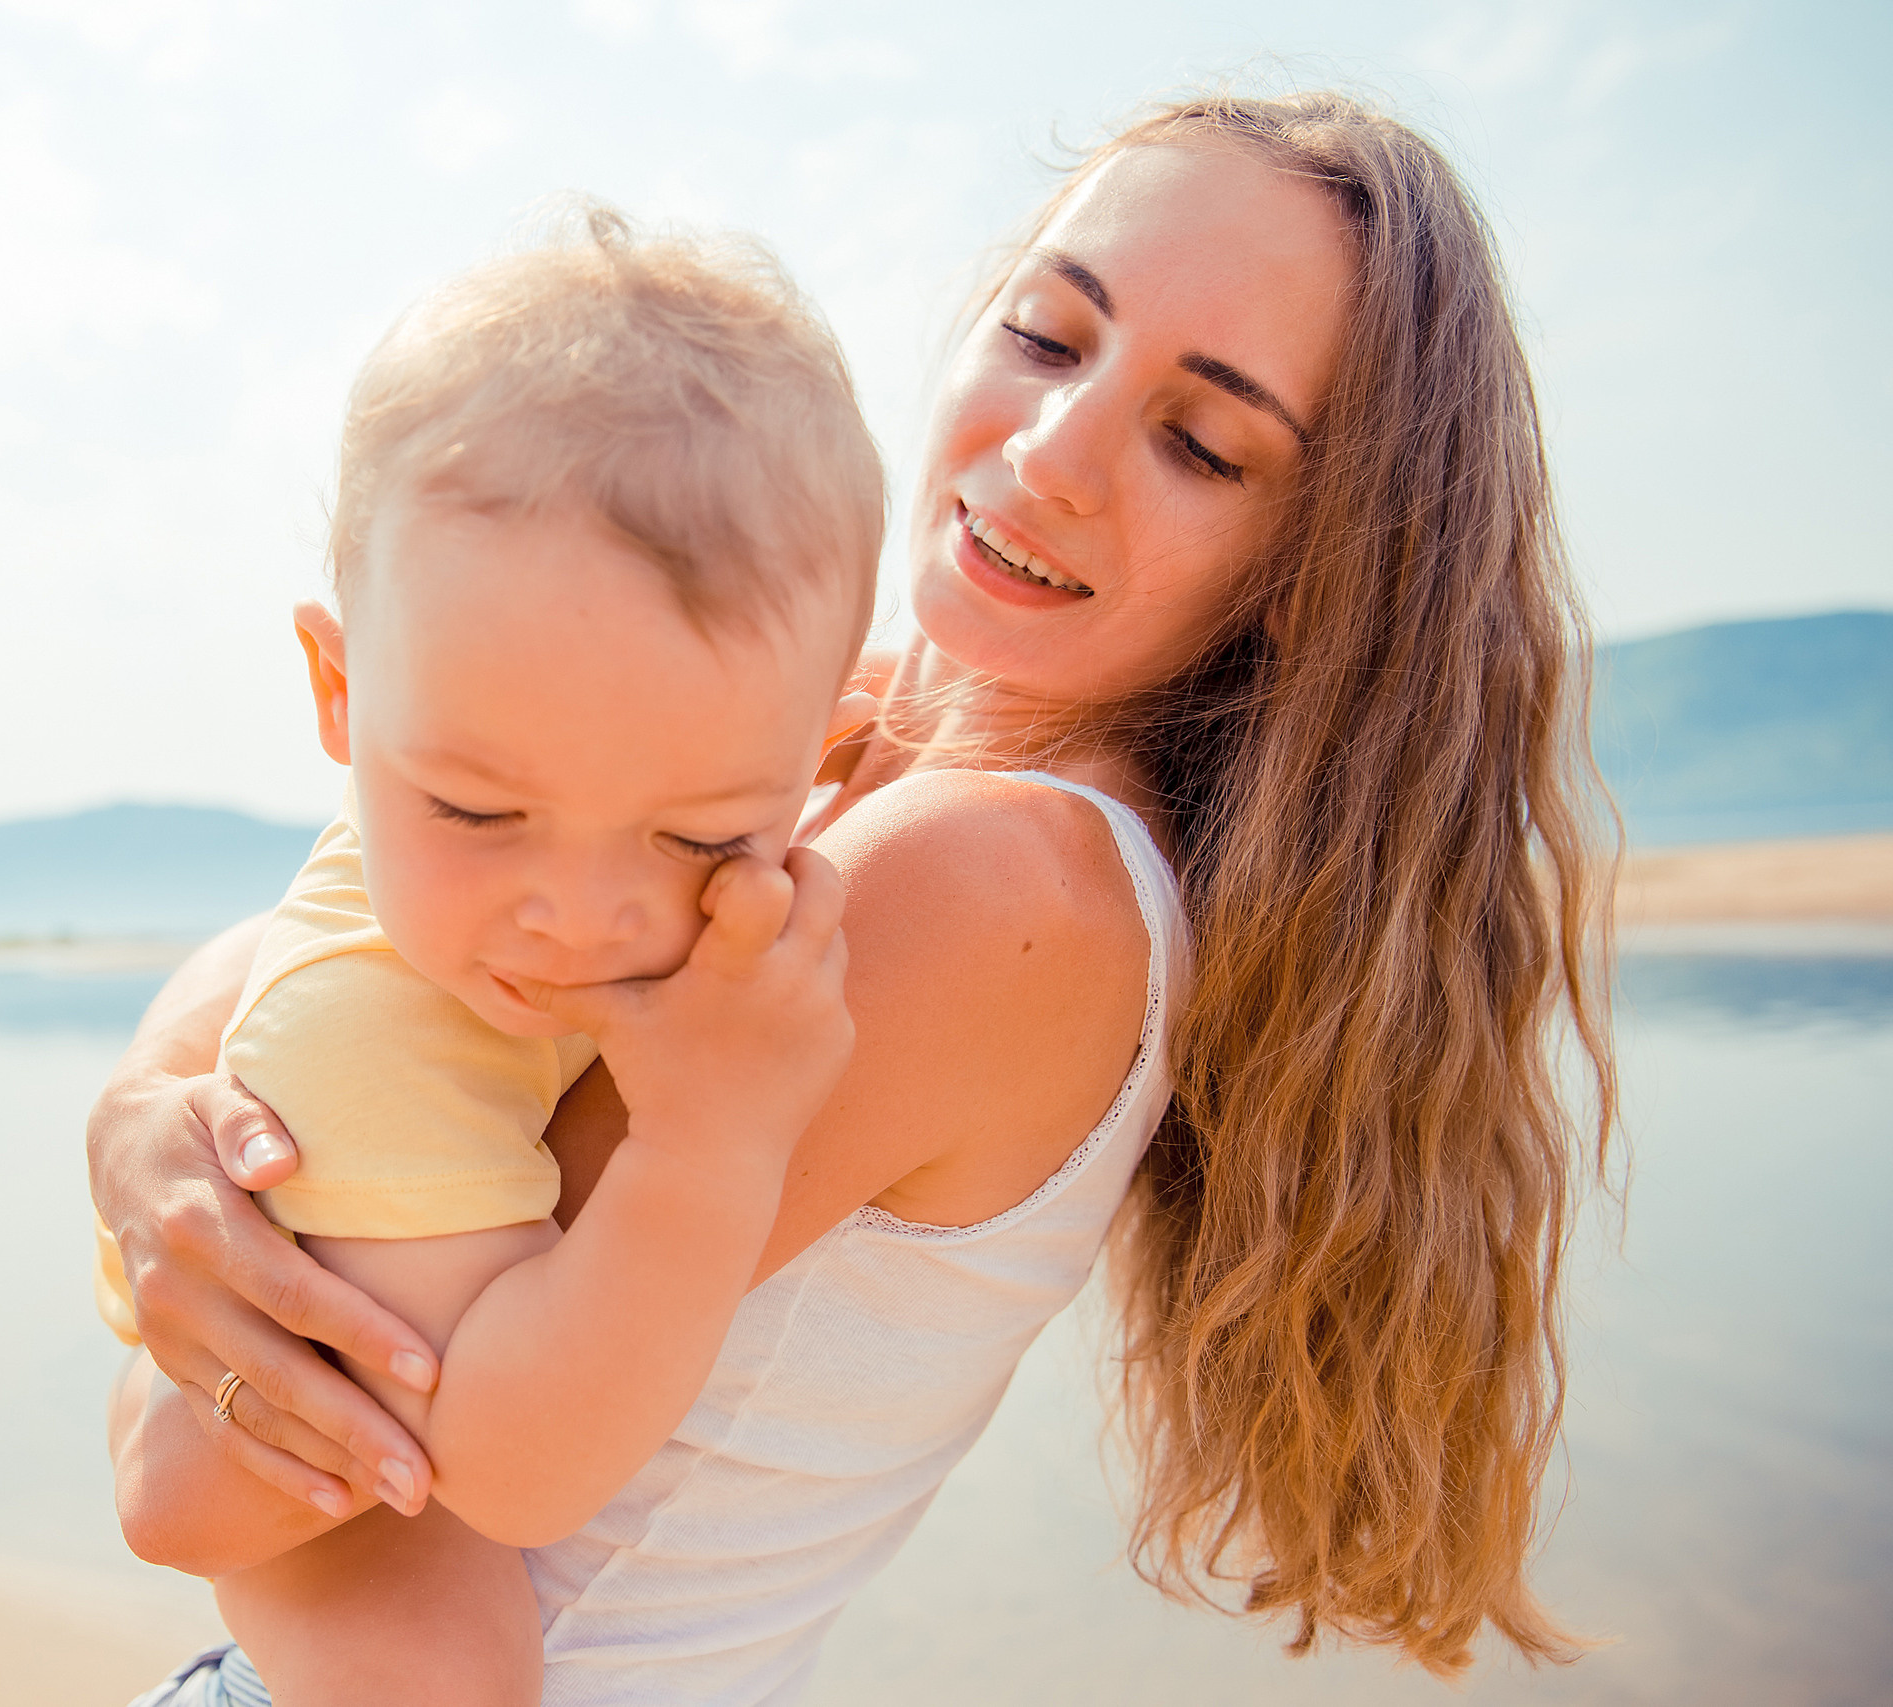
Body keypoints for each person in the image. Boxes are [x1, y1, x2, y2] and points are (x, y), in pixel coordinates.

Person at [90, 89, 1615, 1705]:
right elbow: (315, 959)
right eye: (1047, 334)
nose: (1053, 454)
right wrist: (145, 1114)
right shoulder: (794, 753)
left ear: (1317, 567)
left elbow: (234, 1436)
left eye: (1200, 442)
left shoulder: (989, 881)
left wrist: (164, 1150)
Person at [97, 210, 887, 1702]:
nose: (578, 914)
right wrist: (712, 1146)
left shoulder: (578, 716)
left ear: (820, 749)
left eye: (700, 834)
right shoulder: (365, 1047)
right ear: (340, 691)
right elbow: (511, 1468)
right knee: (444, 1675)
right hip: (328, 1509)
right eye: (474, 810)